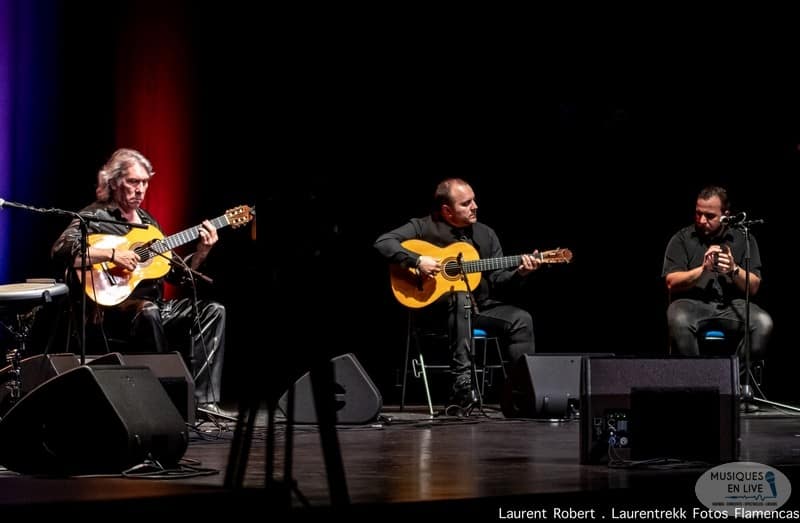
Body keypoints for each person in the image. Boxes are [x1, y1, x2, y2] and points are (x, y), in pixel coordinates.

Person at [51, 148, 231, 417]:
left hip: (153, 306)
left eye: (145, 182)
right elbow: (61, 250)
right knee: (147, 311)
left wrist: (202, 252)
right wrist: (112, 254)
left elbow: (175, 274)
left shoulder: (149, 223)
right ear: (114, 182)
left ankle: (203, 403)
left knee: (213, 310)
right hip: (112, 310)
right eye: (133, 181)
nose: (140, 189)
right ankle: (165, 401)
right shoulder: (94, 216)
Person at [375, 178, 539, 413]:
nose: (475, 206)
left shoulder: (486, 234)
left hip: (478, 308)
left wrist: (520, 273)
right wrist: (417, 260)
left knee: (521, 320)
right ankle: (461, 387)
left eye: (474, 200)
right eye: (466, 203)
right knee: (460, 296)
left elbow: (498, 280)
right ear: (447, 210)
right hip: (434, 311)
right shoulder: (423, 227)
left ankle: (521, 394)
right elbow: (383, 242)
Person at [662, 185, 773, 361]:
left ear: (725, 215)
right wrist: (702, 270)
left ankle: (733, 375)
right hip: (692, 304)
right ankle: (695, 375)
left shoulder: (744, 238)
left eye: (709, 216)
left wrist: (734, 270)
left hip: (732, 306)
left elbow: (753, 287)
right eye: (698, 213)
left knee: (763, 322)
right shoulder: (681, 239)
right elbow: (671, 282)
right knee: (678, 318)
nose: (702, 220)